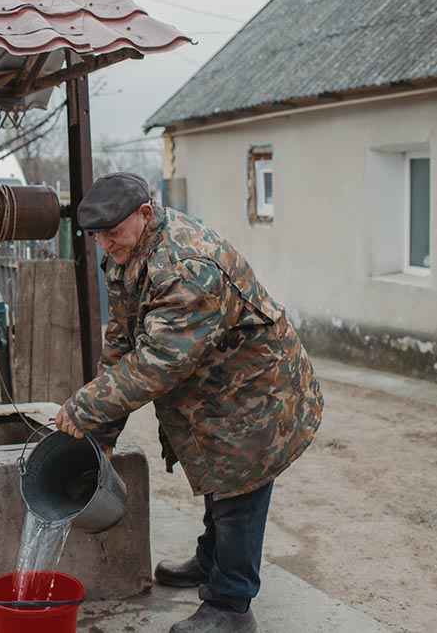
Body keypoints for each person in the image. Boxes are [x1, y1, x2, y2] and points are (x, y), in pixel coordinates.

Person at [54, 172, 323, 633]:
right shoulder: (128, 250)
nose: (105, 246)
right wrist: (102, 433)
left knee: (237, 489)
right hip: (215, 389)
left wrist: (83, 407)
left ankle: (231, 605)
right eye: (97, 237)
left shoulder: (186, 265)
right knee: (218, 480)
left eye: (112, 234)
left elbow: (158, 363)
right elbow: (122, 340)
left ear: (144, 214)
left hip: (256, 392)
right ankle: (211, 560)